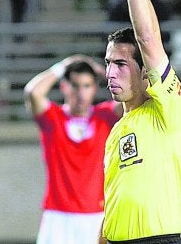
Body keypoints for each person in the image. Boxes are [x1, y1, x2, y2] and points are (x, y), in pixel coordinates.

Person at [100, 0, 181, 243]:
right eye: (108, 64)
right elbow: (112, 205)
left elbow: (149, 39)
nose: (110, 73)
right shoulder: (117, 130)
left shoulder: (170, 112)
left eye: (121, 64)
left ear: (145, 73)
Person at [24, 55, 121, 244]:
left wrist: (105, 72)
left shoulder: (105, 116)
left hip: (97, 216)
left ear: (95, 88)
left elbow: (137, 96)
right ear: (64, 87)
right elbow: (33, 93)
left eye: (87, 86)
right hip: (58, 217)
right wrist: (62, 66)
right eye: (75, 85)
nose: (81, 93)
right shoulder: (53, 118)